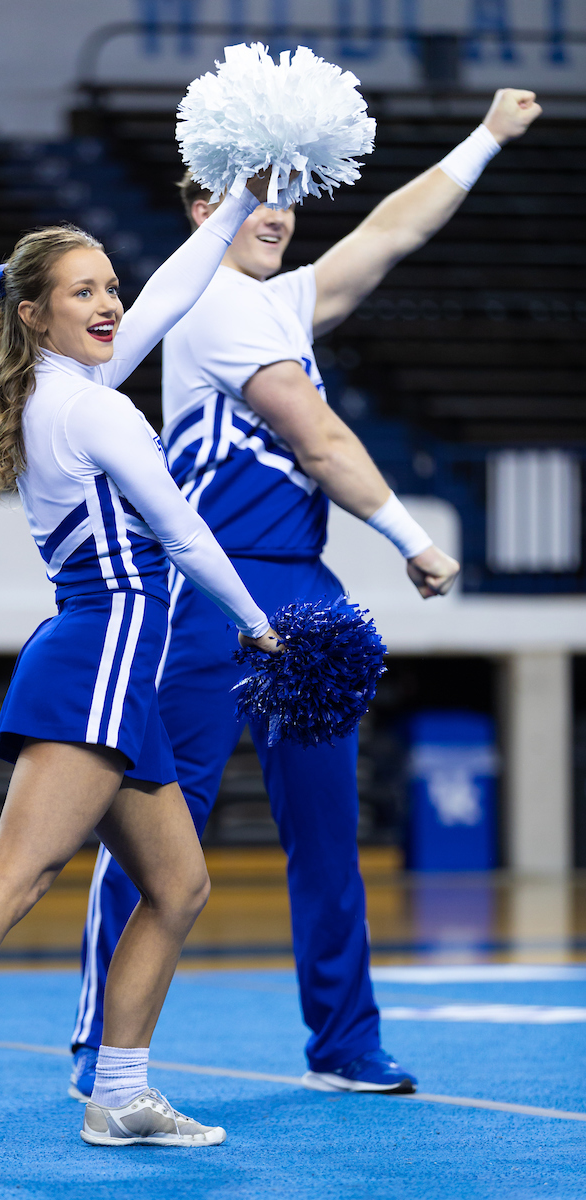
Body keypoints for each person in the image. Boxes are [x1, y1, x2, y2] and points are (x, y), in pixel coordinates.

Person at [70, 88, 542, 1098]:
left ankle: (343, 1044)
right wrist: (413, 538)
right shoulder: (205, 300)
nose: (277, 207)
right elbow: (317, 438)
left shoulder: (279, 302)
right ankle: (99, 1048)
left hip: (303, 592)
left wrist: (484, 137)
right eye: (255, 190)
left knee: (327, 834)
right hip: (205, 589)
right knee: (159, 831)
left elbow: (389, 233)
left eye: (289, 191)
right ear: (203, 205)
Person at [0, 174, 284, 1162]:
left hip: (109, 662)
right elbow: (181, 533)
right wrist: (259, 624)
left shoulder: (64, 389)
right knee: (19, 875)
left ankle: (119, 1095)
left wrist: (222, 214)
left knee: (178, 886)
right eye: (83, 292)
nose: (110, 304)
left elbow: (167, 295)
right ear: (35, 314)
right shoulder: (96, 414)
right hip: (99, 656)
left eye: (109, 287)